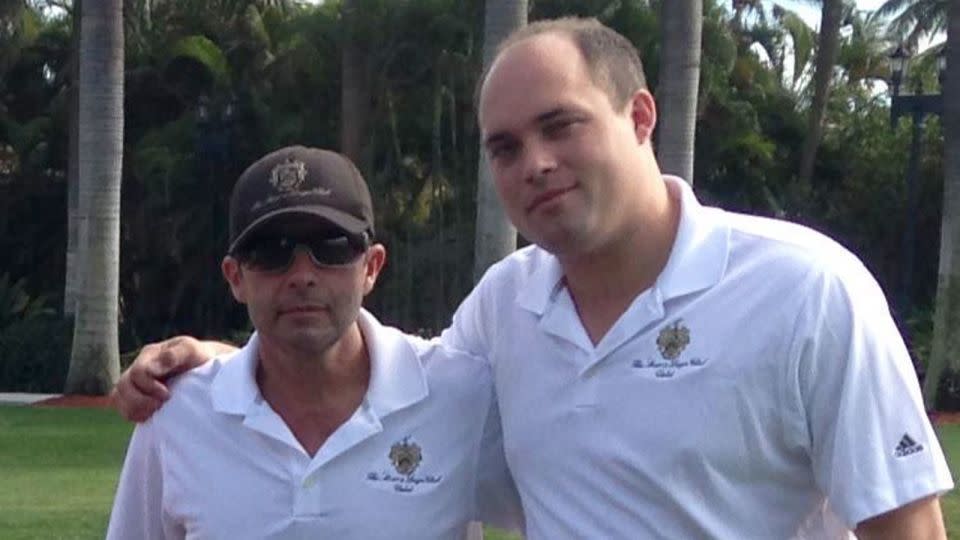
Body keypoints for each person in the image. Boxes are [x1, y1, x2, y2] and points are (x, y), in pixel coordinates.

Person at [114, 18, 953, 539]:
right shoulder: (506, 307)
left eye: (561, 126)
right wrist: (228, 364)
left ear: (640, 116)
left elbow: (906, 525)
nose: (536, 164)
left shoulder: (808, 290)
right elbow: (373, 376)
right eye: (506, 147)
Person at [106, 146, 521, 539]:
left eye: (331, 247)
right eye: (271, 252)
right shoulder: (176, 413)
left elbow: (569, 507)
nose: (303, 274)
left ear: (371, 267)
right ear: (235, 278)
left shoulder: (459, 397)